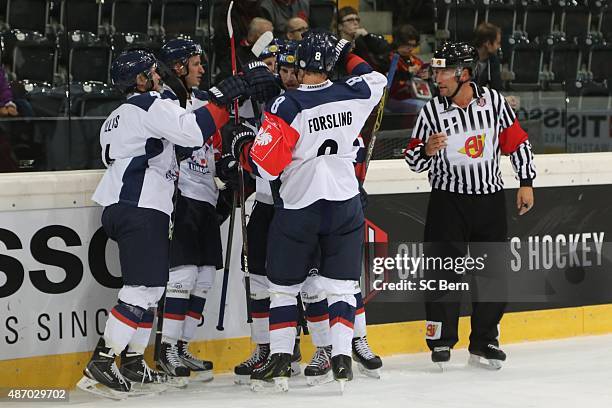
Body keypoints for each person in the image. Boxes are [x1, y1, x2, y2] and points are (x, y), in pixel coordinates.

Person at [77, 49, 278, 399]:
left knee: (153, 289)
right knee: (141, 289)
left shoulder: (115, 116)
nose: (159, 76)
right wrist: (227, 92)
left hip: (126, 204)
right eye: (153, 72)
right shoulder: (150, 104)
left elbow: (159, 147)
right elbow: (193, 129)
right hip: (141, 204)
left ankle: (134, 361)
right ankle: (103, 360)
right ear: (140, 80)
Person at [226, 30, 386, 391]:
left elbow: (266, 167)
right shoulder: (355, 93)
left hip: (300, 207)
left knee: (282, 289)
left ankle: (281, 359)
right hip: (345, 204)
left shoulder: (289, 105)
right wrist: (346, 54)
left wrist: (242, 147)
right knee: (343, 287)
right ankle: (342, 359)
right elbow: (376, 78)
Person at [403, 42, 536, 370]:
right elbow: (412, 158)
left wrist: (526, 181)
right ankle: (441, 340)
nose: (437, 78)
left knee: (492, 272)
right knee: (441, 272)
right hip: (447, 202)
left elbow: (516, 142)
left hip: (489, 201)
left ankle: (486, 340)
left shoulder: (494, 103)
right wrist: (427, 152)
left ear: (464, 73)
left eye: (443, 71)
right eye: (434, 72)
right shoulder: (431, 110)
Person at [155, 38, 226, 385]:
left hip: (207, 198)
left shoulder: (203, 100)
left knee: (205, 278)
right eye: (195, 63)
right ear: (179, 66)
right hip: (180, 196)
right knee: (181, 277)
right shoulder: (165, 101)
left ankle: (182, 345)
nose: (201, 68)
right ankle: (166, 348)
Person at [337, 6, 390, 73]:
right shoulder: (334, 43)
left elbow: (383, 49)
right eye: (350, 20)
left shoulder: (363, 41)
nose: (355, 23)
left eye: (357, 20)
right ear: (340, 26)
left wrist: (367, 36)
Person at [473, 22, 503, 91]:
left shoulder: (494, 61)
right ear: (488, 43)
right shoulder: (466, 59)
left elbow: (496, 88)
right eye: (497, 43)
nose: (499, 47)